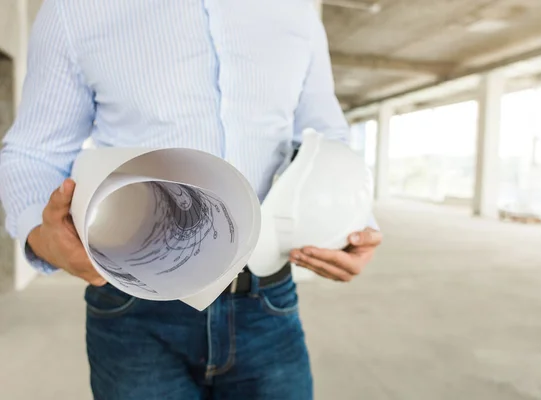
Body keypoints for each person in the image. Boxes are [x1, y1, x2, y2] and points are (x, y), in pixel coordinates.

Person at [0, 1, 383, 399]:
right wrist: (40, 236)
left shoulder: (297, 10)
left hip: (267, 299)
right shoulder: (76, 9)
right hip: (134, 304)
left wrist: (354, 222)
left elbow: (326, 136)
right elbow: (34, 152)